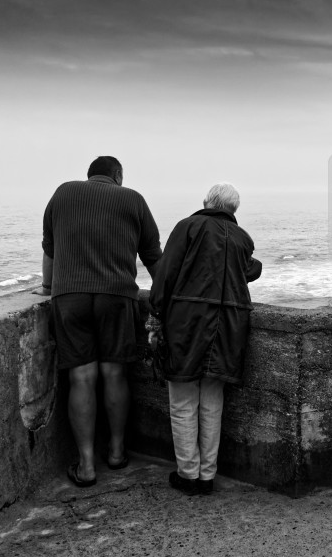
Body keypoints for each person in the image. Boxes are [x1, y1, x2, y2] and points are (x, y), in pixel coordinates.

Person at [37, 156, 162, 488]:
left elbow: (50, 249)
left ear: (90, 175)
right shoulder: (132, 198)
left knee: (81, 376)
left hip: (70, 297)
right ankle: (118, 453)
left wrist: (49, 288)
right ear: (118, 176)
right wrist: (168, 293)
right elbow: (153, 256)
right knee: (114, 373)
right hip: (116, 296)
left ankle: (87, 465)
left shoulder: (62, 193)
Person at [149, 182, 261, 496]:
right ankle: (207, 475)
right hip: (229, 325)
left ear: (207, 202)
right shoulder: (241, 238)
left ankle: (188, 474)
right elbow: (249, 270)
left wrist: (156, 311)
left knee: (183, 399)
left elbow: (166, 272)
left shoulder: (188, 227)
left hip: (188, 322)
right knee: (212, 402)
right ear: (233, 210)